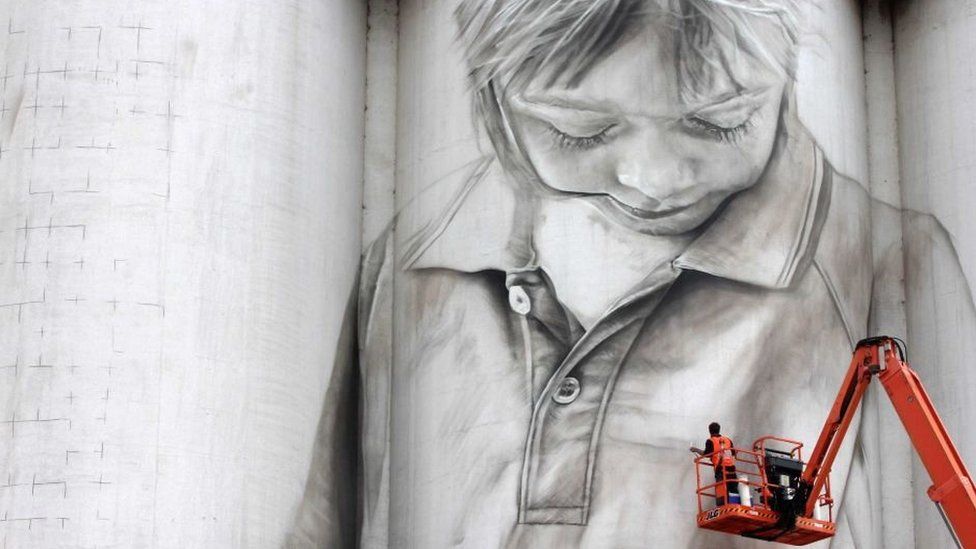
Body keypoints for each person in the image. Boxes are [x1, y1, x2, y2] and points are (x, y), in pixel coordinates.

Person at [287, 1, 976, 547]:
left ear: (788, 75)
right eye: (582, 133)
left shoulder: (888, 258)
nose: (653, 181)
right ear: (492, 98)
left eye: (716, 123)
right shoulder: (414, 253)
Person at [691, 422, 737, 506]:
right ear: (719, 430)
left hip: (720, 469)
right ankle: (736, 505)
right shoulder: (728, 440)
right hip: (732, 468)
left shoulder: (710, 441)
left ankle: (724, 507)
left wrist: (695, 449)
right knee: (733, 489)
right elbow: (734, 453)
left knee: (722, 491)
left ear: (710, 431)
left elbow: (706, 454)